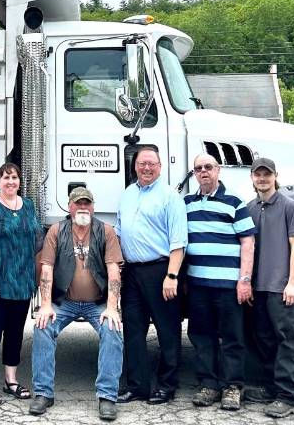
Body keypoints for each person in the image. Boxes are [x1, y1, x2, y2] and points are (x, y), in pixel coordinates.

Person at [30, 187, 123, 421]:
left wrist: (112, 307)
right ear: (69, 207)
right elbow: (47, 268)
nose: (83, 207)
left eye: (87, 204)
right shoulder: (57, 230)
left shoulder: (106, 231)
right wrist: (46, 304)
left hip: (96, 303)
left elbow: (114, 271)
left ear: (93, 207)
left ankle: (107, 396)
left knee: (112, 330)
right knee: (42, 327)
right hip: (65, 301)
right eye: (78, 203)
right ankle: (43, 393)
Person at [115, 146, 187, 405]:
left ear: (160, 167)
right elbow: (120, 232)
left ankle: (167, 386)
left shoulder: (170, 196)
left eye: (152, 164)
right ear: (135, 166)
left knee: (168, 331)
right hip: (132, 273)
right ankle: (137, 387)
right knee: (133, 330)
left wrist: (172, 275)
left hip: (161, 271)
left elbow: (178, 241)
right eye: (142, 163)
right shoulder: (127, 194)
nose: (146, 168)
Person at [184, 153, 255, 411]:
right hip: (198, 285)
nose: (204, 171)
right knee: (201, 336)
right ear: (194, 174)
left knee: (232, 337)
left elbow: (248, 242)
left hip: (228, 286)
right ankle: (208, 385)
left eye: (208, 167)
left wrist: (244, 280)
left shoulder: (235, 202)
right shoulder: (187, 204)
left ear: (218, 170)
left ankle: (232, 387)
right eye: (198, 168)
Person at [0, 163, 43, 404]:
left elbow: (37, 244)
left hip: (22, 284)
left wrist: (35, 279)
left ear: (19, 181)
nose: (11, 182)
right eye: (6, 178)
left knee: (15, 334)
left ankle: (11, 381)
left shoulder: (29, 207)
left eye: (14, 178)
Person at [245, 158, 294, 418]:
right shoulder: (250, 208)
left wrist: (292, 282)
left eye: (267, 174)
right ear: (252, 178)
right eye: (258, 174)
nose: (263, 179)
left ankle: (288, 396)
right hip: (259, 288)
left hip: (282, 288)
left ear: (275, 176)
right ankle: (271, 388)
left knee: (287, 342)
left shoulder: (289, 206)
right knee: (265, 340)